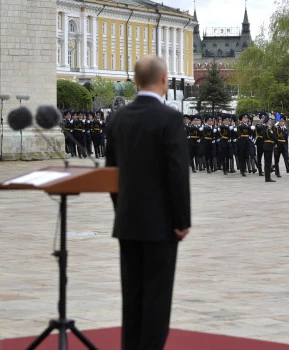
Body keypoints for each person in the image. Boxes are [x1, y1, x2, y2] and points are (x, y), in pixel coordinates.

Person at [105, 55, 191, 350]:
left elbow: (111, 175)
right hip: (161, 226)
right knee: (157, 297)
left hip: (128, 223)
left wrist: (123, 210)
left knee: (132, 296)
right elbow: (177, 174)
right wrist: (181, 221)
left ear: (136, 81)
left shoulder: (117, 119)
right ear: (165, 80)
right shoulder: (169, 119)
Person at [262, 115, 277, 182]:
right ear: (267, 122)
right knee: (268, 162)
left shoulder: (265, 128)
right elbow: (273, 136)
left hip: (266, 146)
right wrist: (278, 141)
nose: (270, 122)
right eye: (270, 120)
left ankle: (267, 177)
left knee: (267, 162)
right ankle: (267, 178)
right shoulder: (268, 129)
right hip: (268, 146)